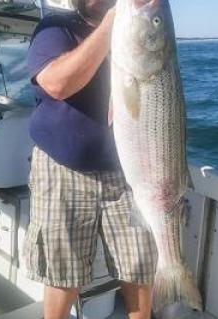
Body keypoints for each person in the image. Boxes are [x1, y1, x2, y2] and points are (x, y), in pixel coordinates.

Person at [22, 1, 158, 319]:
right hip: (61, 170)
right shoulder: (56, 28)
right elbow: (57, 84)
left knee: (139, 264)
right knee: (62, 271)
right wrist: (111, 25)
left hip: (127, 173)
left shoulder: (136, 31)